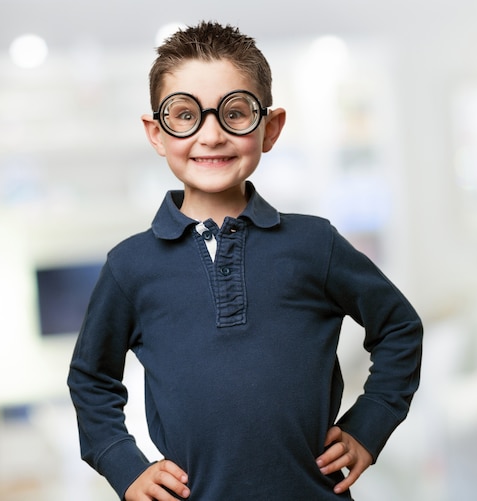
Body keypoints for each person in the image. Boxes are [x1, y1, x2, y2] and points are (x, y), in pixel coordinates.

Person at [67, 21, 422, 501]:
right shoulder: (131, 265)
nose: (210, 136)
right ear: (156, 133)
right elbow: (91, 378)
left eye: (234, 113)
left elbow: (399, 327)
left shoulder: (314, 244)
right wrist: (125, 466)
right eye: (185, 115)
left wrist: (371, 423)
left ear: (270, 128)